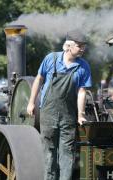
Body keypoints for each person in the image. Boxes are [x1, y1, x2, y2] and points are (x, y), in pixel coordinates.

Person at [27, 30, 92, 180]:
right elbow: (38, 79)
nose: (82, 49)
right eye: (79, 46)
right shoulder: (51, 59)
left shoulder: (83, 67)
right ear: (69, 45)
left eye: (84, 46)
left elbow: (82, 92)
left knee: (67, 153)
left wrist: (81, 115)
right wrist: (31, 103)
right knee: (49, 152)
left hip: (68, 115)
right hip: (48, 114)